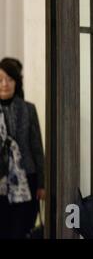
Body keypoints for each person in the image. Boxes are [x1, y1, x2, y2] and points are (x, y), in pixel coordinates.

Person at [0, 58, 45, 239]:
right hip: (0, 181)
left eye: (10, 79)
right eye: (1, 79)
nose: (5, 84)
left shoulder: (28, 109)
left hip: (27, 179)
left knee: (22, 229)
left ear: (16, 82)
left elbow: (37, 148)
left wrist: (42, 183)